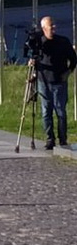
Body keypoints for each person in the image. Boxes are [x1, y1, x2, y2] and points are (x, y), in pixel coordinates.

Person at [35, 16, 77, 150]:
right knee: (46, 111)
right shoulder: (39, 43)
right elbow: (34, 59)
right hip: (43, 81)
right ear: (44, 28)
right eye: (50, 26)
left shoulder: (63, 42)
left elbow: (73, 59)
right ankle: (50, 138)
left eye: (54, 26)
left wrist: (68, 72)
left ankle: (63, 139)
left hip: (59, 80)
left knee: (60, 110)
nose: (53, 28)